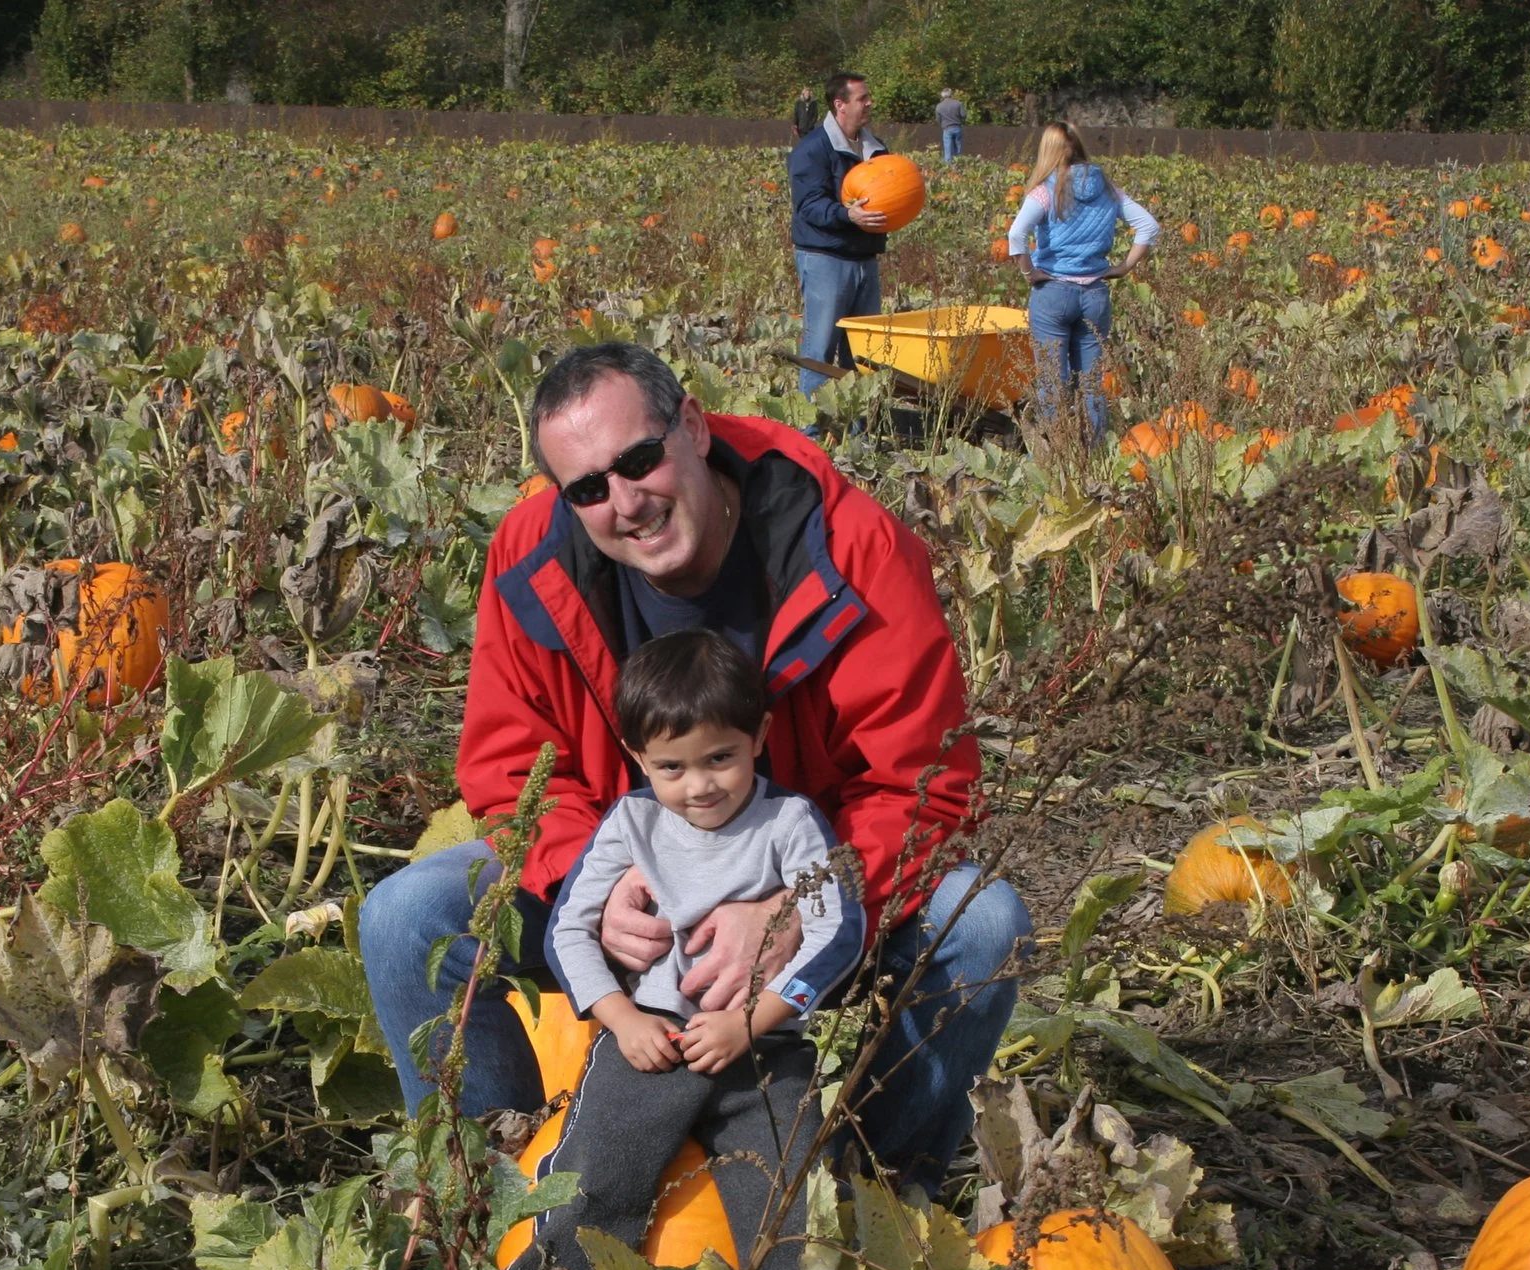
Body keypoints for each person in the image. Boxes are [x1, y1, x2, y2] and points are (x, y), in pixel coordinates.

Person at [359, 342, 1031, 1197]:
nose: (626, 502)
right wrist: (592, 888)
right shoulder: (532, 560)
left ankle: (874, 1196)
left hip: (806, 868)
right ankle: (493, 1203)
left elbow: (924, 782)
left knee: (982, 926)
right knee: (405, 917)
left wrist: (799, 900)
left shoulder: (849, 548)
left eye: (640, 461)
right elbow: (510, 767)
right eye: (590, 489)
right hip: (626, 867)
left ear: (693, 426)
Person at [502, 630, 863, 1270]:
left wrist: (751, 1022)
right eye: (672, 767)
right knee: (598, 1170)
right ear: (639, 757)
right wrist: (622, 1016)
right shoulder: (631, 823)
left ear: (759, 735)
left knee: (791, 1187)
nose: (699, 786)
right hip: (654, 1041)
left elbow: (836, 932)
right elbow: (567, 933)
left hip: (764, 1045)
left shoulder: (789, 823)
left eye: (720, 758)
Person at [1005, 119, 1157, 441]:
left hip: (1053, 293)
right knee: (1091, 380)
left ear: (1048, 151)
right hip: (1095, 295)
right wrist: (1124, 266)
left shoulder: (1045, 191)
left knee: (1052, 380)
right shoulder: (1107, 188)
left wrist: (1029, 272)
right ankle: (1096, 452)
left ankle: (1058, 453)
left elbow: (1016, 234)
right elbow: (1148, 226)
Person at [787, 72, 892, 399]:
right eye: (862, 98)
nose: (869, 103)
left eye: (868, 97)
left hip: (865, 258)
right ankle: (811, 430)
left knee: (864, 350)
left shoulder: (875, 148)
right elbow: (810, 205)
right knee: (820, 347)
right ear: (840, 105)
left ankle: (856, 426)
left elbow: (890, 191)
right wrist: (848, 214)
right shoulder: (813, 149)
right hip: (825, 259)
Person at [936, 88, 966, 162]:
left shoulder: (939, 106)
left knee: (948, 147)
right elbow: (963, 115)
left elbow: (938, 119)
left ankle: (948, 165)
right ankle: (959, 161)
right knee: (958, 146)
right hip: (957, 127)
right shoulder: (958, 103)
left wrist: (942, 124)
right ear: (951, 94)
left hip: (947, 128)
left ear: (942, 96)